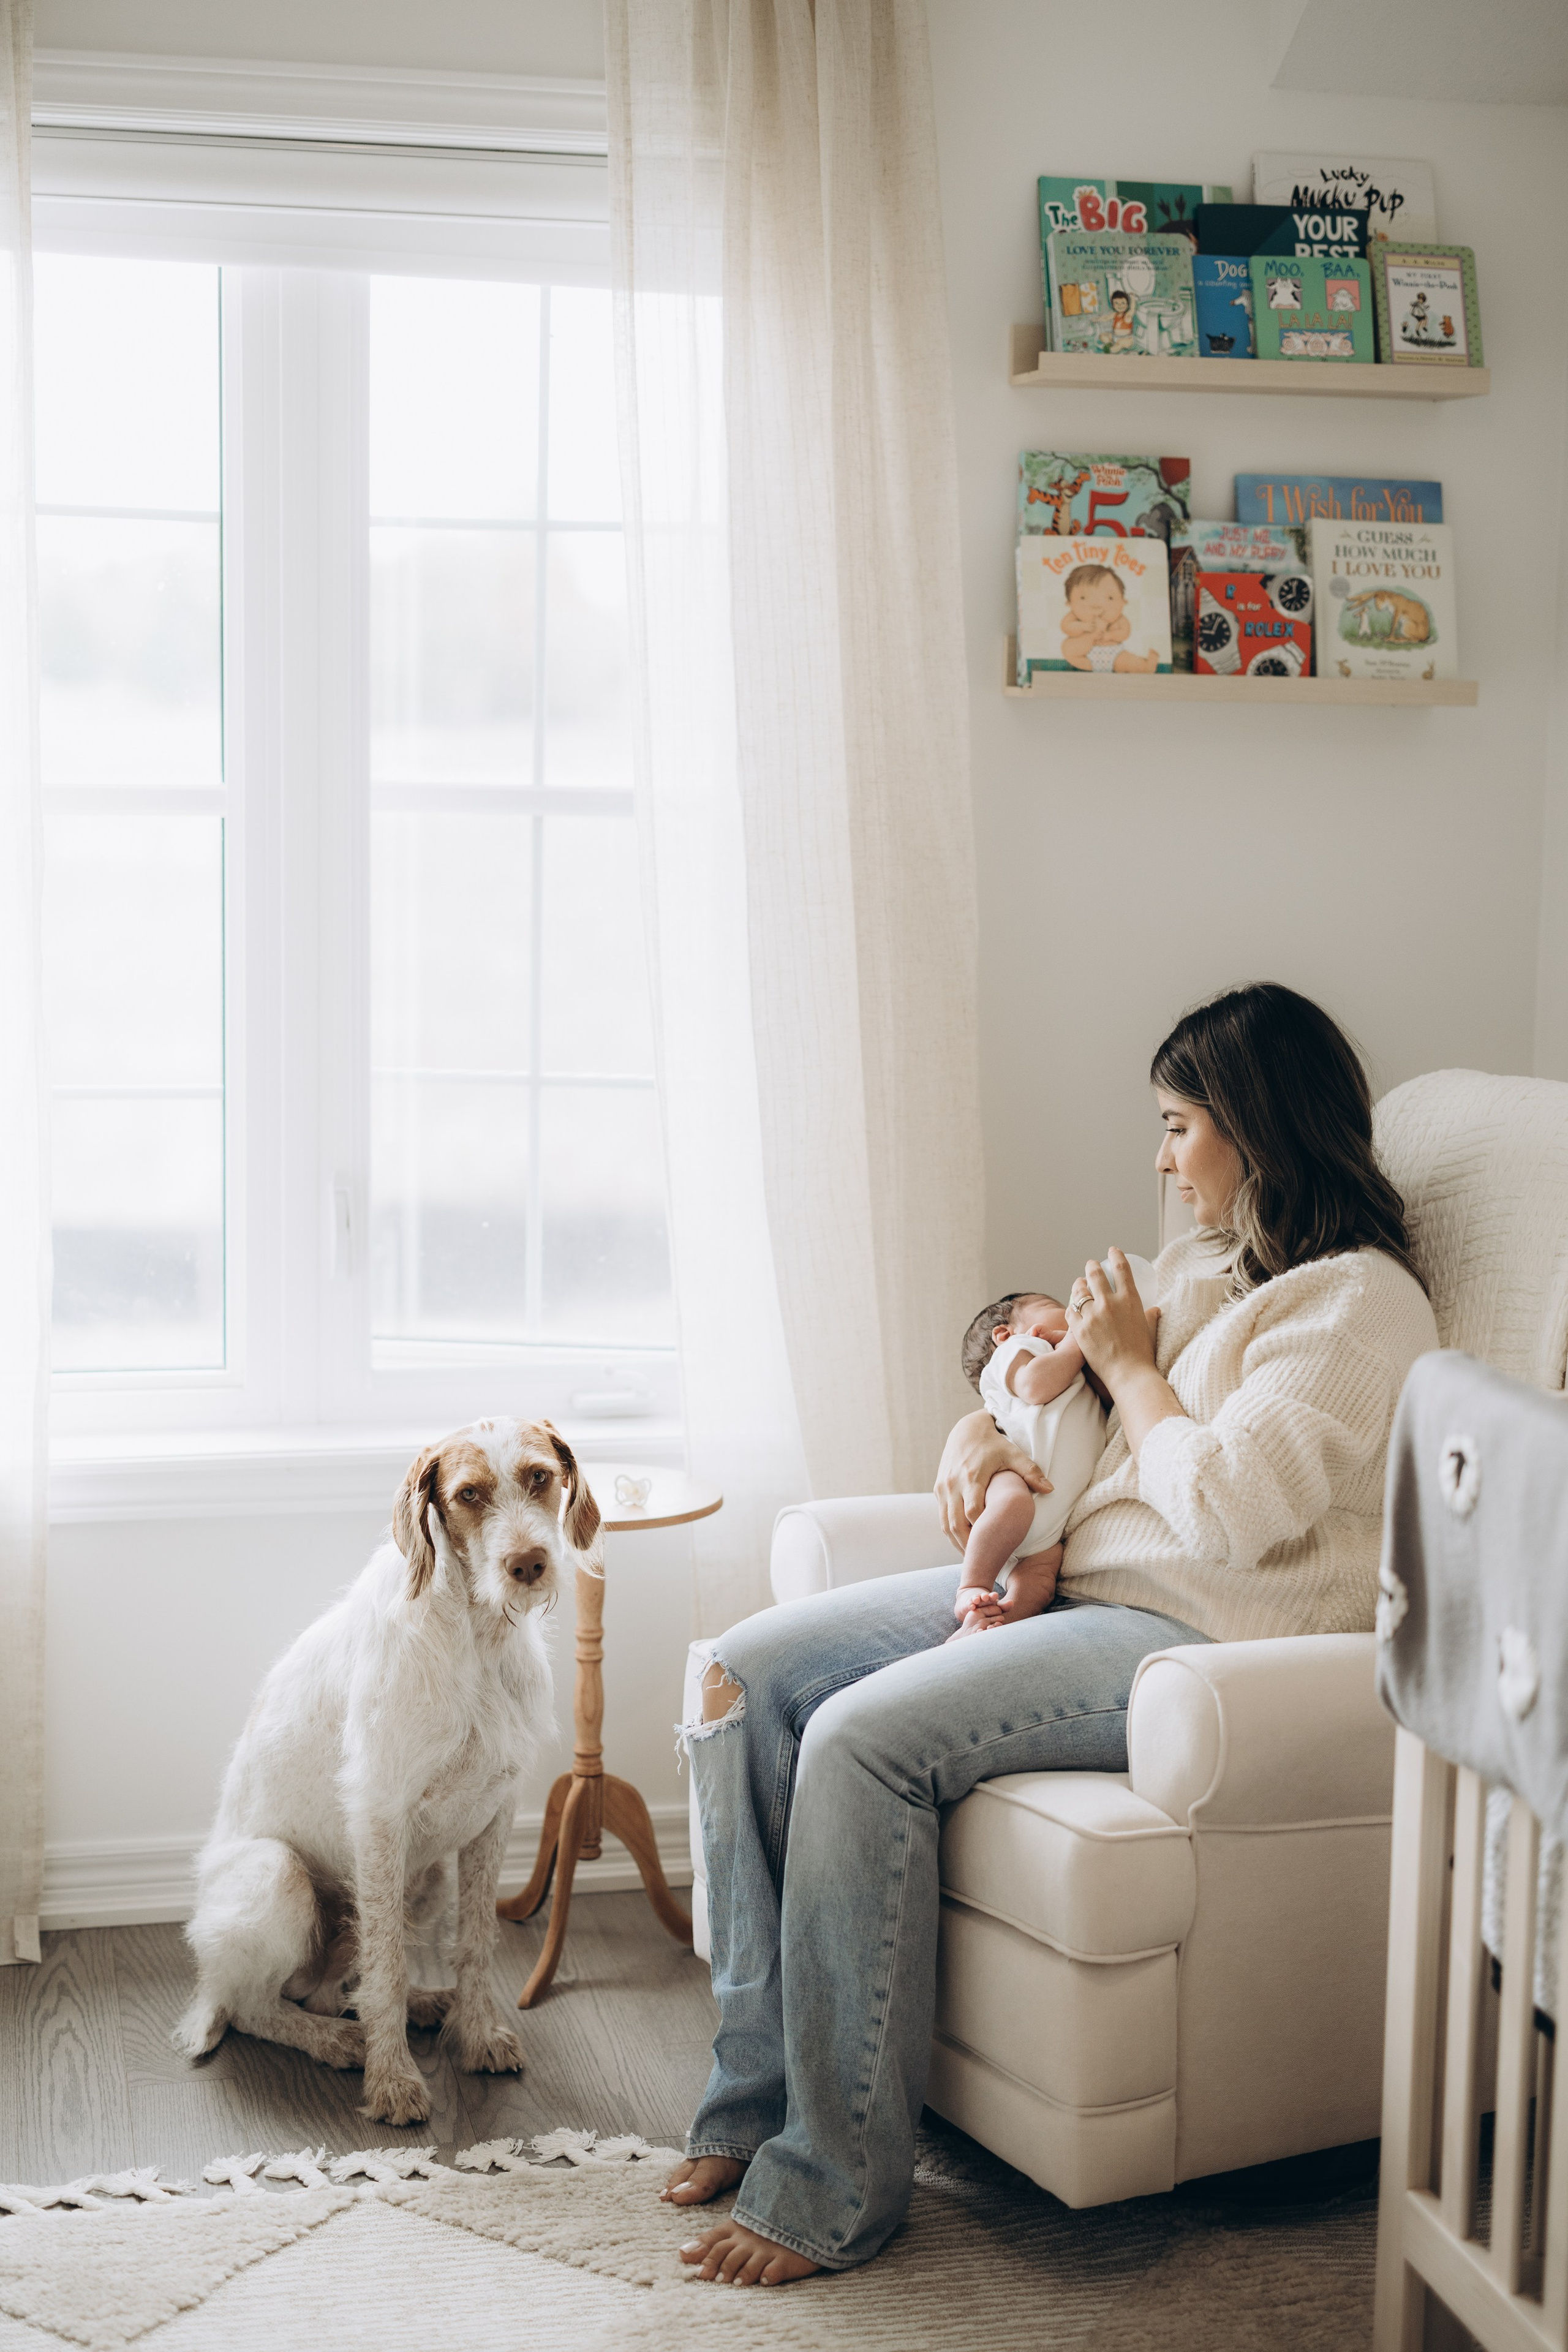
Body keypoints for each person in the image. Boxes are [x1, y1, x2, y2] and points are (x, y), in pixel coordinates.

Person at [666, 982, 1439, 2288]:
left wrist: (1134, 1368)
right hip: (1077, 1584)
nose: (1159, 1156)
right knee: (745, 1675)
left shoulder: (1357, 1308)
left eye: (1177, 1123)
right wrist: (978, 1427)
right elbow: (1035, 1378)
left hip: (1185, 1635)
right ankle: (750, 2108)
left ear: (1256, 1128)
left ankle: (830, 2190)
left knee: (855, 1741)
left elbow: (1228, 1509)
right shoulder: (1208, 1273)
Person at [949, 1256, 1155, 1638]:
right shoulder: (1017, 1355)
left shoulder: (1073, 1370)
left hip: (1049, 1532)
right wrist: (1077, 1340)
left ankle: (993, 1624)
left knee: (1041, 1583)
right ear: (1004, 1334)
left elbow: (1115, 1398)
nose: (1068, 1311)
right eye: (1054, 1308)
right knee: (1014, 1504)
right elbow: (1036, 1386)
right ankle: (972, 1586)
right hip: (1012, 1480)